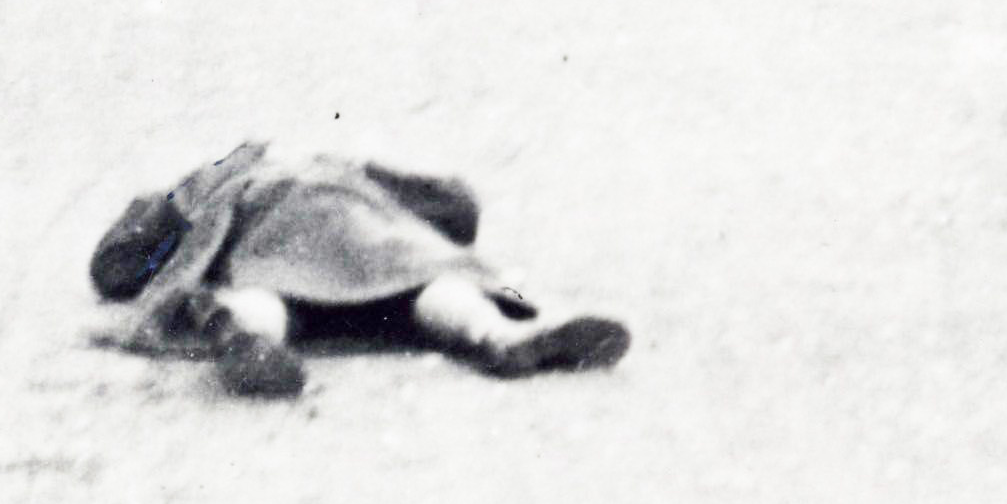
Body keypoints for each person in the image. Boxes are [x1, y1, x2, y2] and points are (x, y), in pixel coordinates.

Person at [89, 141, 631, 400]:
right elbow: (460, 212)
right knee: (432, 286)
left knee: (266, 295)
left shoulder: (222, 180)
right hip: (378, 252)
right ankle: (501, 336)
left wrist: (165, 214)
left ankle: (241, 333)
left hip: (272, 245)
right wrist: (377, 173)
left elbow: (118, 263)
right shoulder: (344, 173)